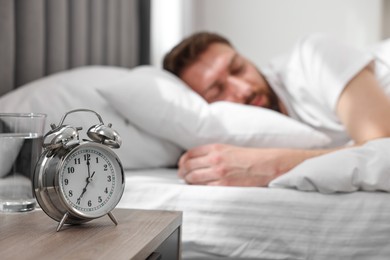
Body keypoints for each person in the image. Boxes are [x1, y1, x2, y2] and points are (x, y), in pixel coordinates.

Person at [163, 31, 390, 187]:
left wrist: (274, 164)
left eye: (238, 68)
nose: (243, 89)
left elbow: (383, 146)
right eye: (217, 90)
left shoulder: (313, 57)